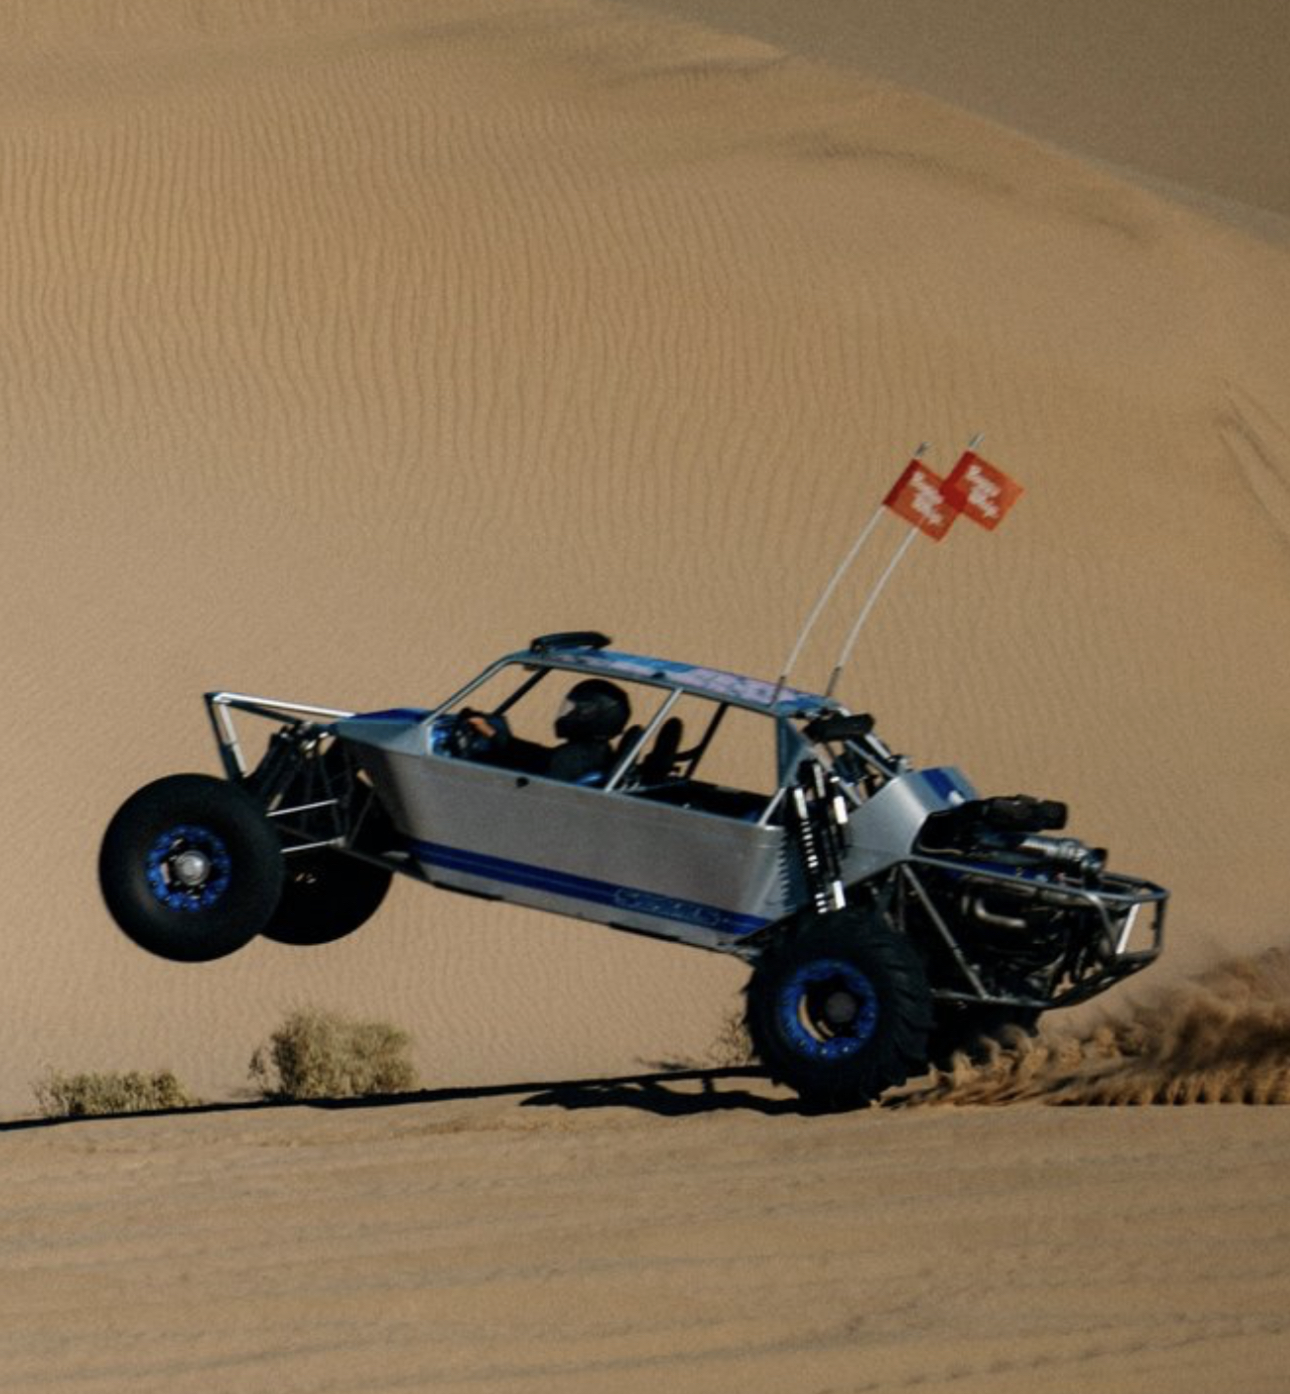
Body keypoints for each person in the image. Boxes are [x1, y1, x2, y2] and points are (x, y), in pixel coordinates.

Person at [458, 678, 631, 784]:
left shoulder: (570, 759)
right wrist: (494, 735)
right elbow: (541, 757)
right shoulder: (593, 751)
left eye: (574, 710)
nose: (567, 714)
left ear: (590, 717)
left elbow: (536, 788)